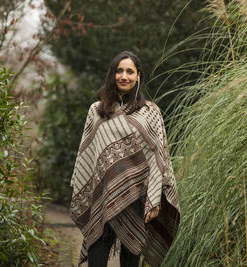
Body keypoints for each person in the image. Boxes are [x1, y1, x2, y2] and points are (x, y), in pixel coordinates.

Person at [70, 51, 180, 267]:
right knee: (97, 261)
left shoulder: (151, 112)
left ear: (138, 75)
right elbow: (87, 154)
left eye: (130, 72)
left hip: (137, 201)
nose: (124, 76)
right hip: (102, 197)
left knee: (130, 263)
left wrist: (154, 200)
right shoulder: (97, 110)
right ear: (112, 75)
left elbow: (159, 158)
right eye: (119, 71)